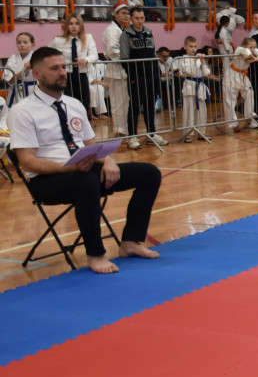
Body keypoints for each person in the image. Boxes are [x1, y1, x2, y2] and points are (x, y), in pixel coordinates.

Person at [7, 46, 162, 274]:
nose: (62, 72)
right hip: (47, 180)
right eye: (54, 68)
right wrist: (66, 168)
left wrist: (108, 161)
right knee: (86, 182)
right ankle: (95, 254)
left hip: (83, 170)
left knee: (149, 173)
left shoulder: (74, 104)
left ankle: (130, 242)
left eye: (63, 67)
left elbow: (92, 147)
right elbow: (28, 162)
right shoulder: (22, 111)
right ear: (37, 74)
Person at [118, 6, 164, 149]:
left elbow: (153, 54)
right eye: (137, 18)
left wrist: (157, 72)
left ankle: (151, 134)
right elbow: (124, 58)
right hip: (137, 77)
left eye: (142, 18)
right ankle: (132, 136)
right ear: (131, 19)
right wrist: (132, 77)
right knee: (135, 107)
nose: (140, 21)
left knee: (150, 105)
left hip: (152, 75)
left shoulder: (149, 32)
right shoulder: (125, 35)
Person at [49, 14, 99, 117]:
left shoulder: (88, 38)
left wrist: (86, 60)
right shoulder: (58, 40)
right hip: (65, 76)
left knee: (83, 104)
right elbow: (48, 54)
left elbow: (94, 55)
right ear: (67, 26)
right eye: (71, 24)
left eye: (77, 24)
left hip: (81, 75)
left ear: (81, 26)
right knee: (67, 105)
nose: (74, 26)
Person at [221, 38, 258, 132]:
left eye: (254, 47)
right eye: (251, 47)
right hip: (231, 75)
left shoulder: (252, 50)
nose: (253, 49)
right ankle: (233, 125)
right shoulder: (240, 49)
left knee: (250, 93)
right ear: (245, 45)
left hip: (242, 75)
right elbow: (247, 53)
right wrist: (253, 57)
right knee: (230, 101)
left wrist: (253, 60)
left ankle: (249, 116)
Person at [174, 36, 213, 142]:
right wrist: (195, 60)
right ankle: (188, 134)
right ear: (185, 47)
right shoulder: (182, 59)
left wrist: (203, 61)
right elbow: (189, 72)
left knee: (202, 111)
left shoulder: (199, 59)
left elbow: (206, 73)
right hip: (190, 86)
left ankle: (201, 133)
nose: (193, 49)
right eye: (191, 46)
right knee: (189, 111)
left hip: (200, 86)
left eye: (195, 46)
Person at [102, 3, 130, 138]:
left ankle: (125, 129)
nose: (127, 16)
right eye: (123, 13)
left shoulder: (123, 29)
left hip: (123, 70)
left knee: (125, 102)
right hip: (116, 70)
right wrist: (129, 57)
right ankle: (119, 131)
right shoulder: (111, 30)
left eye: (128, 13)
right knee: (118, 103)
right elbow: (112, 51)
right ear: (115, 14)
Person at [3, 31, 37, 105]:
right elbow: (10, 81)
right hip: (15, 92)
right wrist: (24, 70)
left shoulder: (38, 58)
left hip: (34, 91)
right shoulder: (13, 59)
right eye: (19, 43)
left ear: (33, 44)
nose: (22, 45)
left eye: (25, 42)